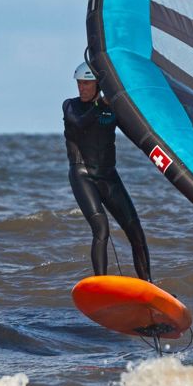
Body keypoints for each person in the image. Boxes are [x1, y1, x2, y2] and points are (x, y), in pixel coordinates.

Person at [63, 61, 151, 281]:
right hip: (83, 175)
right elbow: (80, 123)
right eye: (79, 83)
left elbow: (136, 130)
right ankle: (100, 285)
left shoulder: (112, 108)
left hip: (108, 176)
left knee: (136, 231)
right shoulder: (70, 106)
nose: (82, 88)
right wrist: (101, 104)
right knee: (101, 228)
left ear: (98, 85)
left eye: (86, 83)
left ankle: (149, 286)